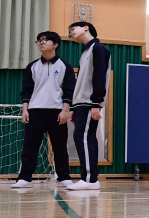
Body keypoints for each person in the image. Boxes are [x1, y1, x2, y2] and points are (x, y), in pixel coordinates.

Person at [12, 31, 76, 188]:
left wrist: (65, 111)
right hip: (34, 111)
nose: (41, 43)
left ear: (55, 45)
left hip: (57, 112)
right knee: (30, 146)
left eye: (45, 40)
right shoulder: (32, 66)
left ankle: (64, 177)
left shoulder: (65, 66)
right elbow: (26, 90)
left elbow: (69, 90)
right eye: (39, 41)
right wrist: (25, 110)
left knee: (60, 146)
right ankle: (25, 178)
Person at [65, 21, 110, 191]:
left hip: (90, 102)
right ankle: (89, 179)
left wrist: (96, 103)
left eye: (72, 30)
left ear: (86, 27)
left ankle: (90, 180)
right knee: (82, 138)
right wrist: (74, 109)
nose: (71, 34)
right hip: (81, 104)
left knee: (85, 138)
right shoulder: (84, 53)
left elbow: (99, 77)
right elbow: (82, 83)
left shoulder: (98, 49)